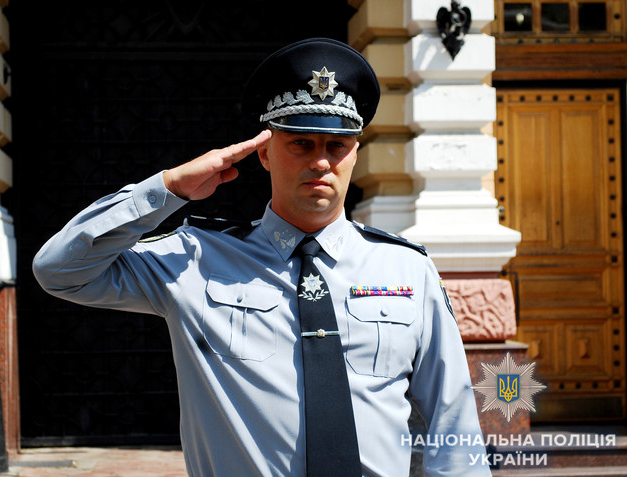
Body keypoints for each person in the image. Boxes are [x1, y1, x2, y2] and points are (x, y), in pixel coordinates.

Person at [33, 38, 491, 477]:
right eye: (301, 143)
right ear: (265, 153)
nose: (321, 162)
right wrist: (168, 188)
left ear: (355, 154)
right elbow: (59, 271)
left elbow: (452, 415)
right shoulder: (195, 259)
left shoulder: (407, 269)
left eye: (336, 145)